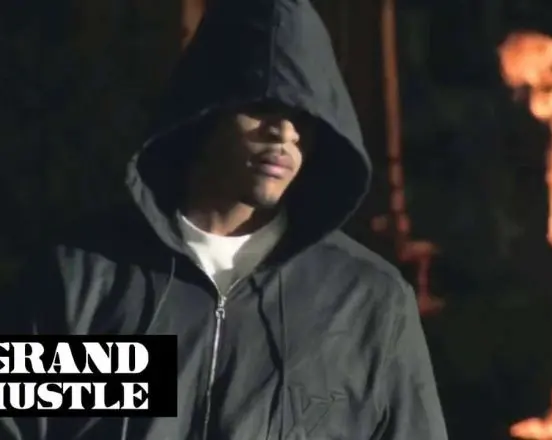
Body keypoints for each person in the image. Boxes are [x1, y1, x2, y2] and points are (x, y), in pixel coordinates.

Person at [0, 0, 448, 439]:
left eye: (304, 118)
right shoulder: (87, 277)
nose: (283, 133)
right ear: (206, 111)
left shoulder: (368, 302)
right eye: (262, 107)